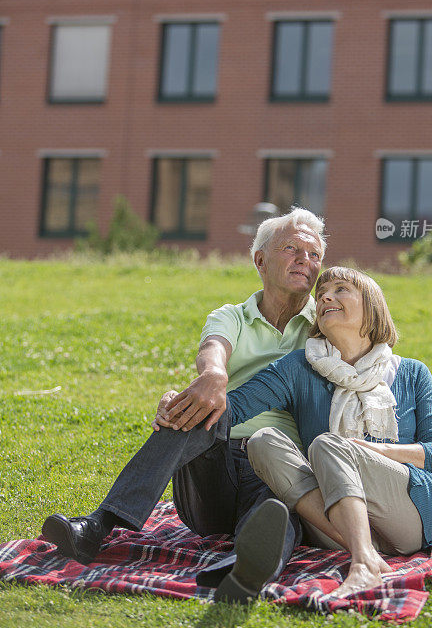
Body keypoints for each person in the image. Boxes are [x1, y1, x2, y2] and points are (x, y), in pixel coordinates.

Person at [41, 208, 326, 603]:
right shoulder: (231, 317)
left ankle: (244, 569)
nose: (305, 261)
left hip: (280, 463)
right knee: (191, 411)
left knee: (279, 506)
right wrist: (212, 377)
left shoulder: (324, 327)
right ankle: (94, 529)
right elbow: (213, 349)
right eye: (292, 249)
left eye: (314, 255)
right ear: (259, 260)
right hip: (212, 473)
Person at [215, 266, 432, 598]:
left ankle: (363, 565)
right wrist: (188, 400)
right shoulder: (299, 367)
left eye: (341, 289)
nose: (325, 296)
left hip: (406, 514)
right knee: (263, 441)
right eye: (322, 292)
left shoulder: (412, 372)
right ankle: (365, 552)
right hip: (331, 521)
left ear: (371, 306)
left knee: (328, 445)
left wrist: (370, 451)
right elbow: (235, 406)